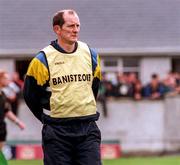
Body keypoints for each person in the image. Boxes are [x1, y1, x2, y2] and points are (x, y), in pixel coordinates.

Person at [23, 9, 102, 165]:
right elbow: (30, 96)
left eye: (78, 26)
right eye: (70, 26)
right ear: (57, 29)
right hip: (57, 131)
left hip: (87, 128)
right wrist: (47, 119)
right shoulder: (42, 59)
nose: (75, 30)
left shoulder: (90, 54)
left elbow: (94, 87)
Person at [0, 70, 25, 165]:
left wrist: (18, 122)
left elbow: (7, 111)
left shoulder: (3, 94)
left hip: (1, 128)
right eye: (6, 78)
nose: (8, 81)